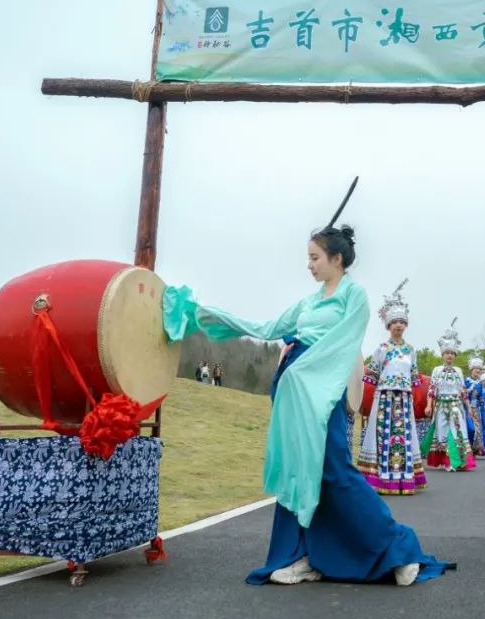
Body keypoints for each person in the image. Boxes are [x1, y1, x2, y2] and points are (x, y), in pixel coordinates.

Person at [163, 180, 452, 586]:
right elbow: (266, 328)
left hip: (323, 388)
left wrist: (303, 373)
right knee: (297, 470)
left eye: (315, 257)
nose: (309, 265)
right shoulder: (308, 302)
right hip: (293, 390)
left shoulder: (354, 295)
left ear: (337, 258)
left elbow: (343, 344)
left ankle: (398, 547)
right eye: (308, 258)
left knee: (335, 470)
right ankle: (301, 555)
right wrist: (202, 313)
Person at [357, 279, 427, 495]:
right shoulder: (381, 349)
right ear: (388, 325)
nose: (398, 325)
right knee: (383, 436)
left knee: (404, 437)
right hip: (384, 400)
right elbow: (371, 378)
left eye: (401, 322)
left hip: (404, 400)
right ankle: (381, 478)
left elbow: (414, 379)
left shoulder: (411, 350)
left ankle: (404, 478)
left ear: (406, 325)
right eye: (395, 322)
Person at [421, 319, 476, 471]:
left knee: (457, 432)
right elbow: (432, 389)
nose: (450, 356)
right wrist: (428, 405)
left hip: (456, 406)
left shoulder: (458, 371)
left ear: (455, 355)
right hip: (441, 406)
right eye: (447, 353)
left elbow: (463, 391)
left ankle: (455, 461)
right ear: (442, 354)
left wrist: (468, 407)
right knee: (442, 433)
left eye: (452, 353)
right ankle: (447, 460)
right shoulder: (437, 370)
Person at [464, 353, 485, 454]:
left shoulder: (480, 384)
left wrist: (483, 404)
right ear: (472, 370)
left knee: (477, 429)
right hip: (466, 408)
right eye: (476, 369)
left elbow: (480, 396)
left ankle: (475, 448)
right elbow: (463, 394)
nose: (478, 371)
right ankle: (466, 446)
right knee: (469, 428)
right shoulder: (466, 381)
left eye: (480, 370)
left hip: (476, 409)